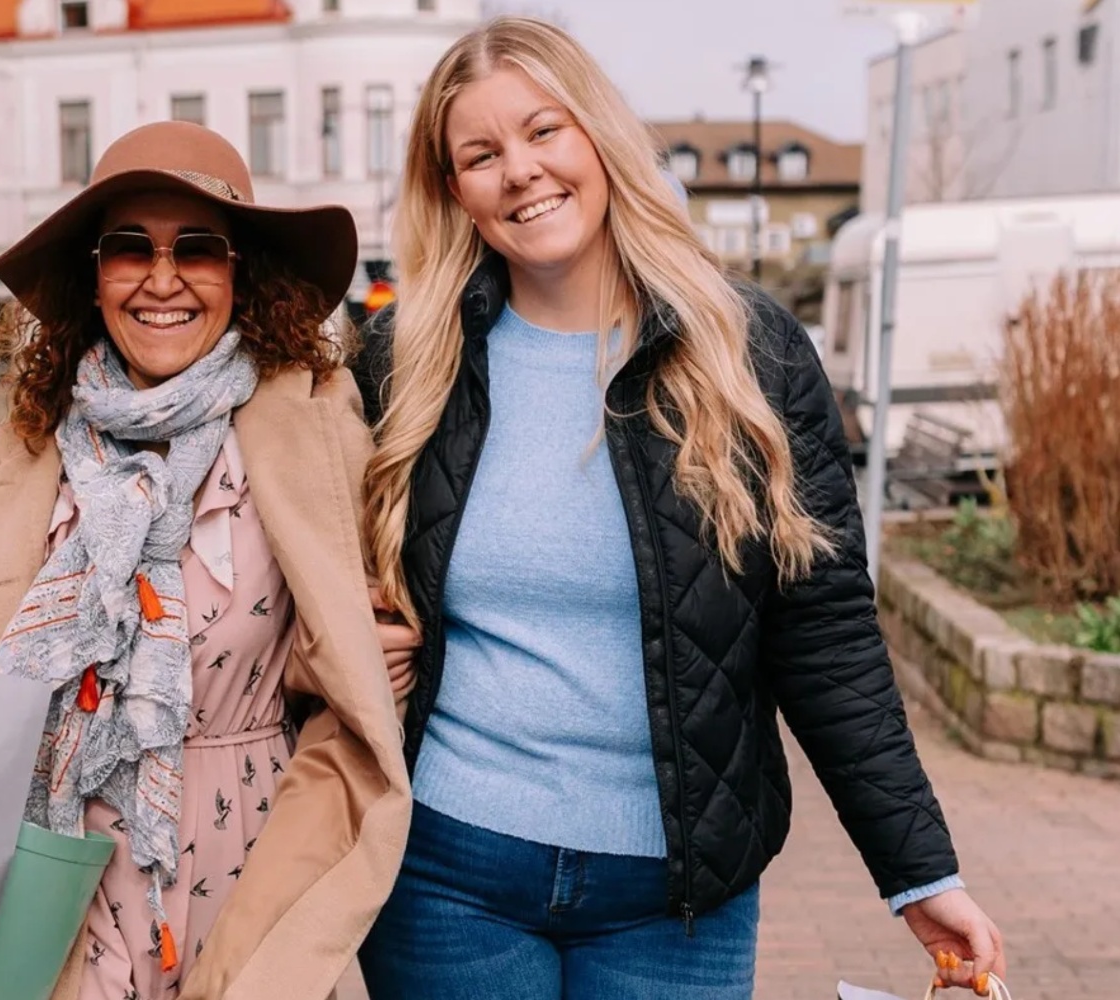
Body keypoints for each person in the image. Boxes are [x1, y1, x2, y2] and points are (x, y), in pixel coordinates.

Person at [354, 16, 1005, 1000]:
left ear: (599, 135)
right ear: (457, 191)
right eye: (479, 155)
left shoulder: (749, 350)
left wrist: (918, 869)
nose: (519, 171)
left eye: (544, 131)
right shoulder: (407, 360)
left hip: (679, 889)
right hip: (449, 869)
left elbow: (825, 628)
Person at [0, 121, 412, 1000]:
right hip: (53, 879)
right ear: (95, 273)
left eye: (197, 248)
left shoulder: (316, 436)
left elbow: (363, 677)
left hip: (255, 859)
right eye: (132, 248)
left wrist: (334, 661)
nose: (163, 280)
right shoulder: (16, 458)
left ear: (242, 270)